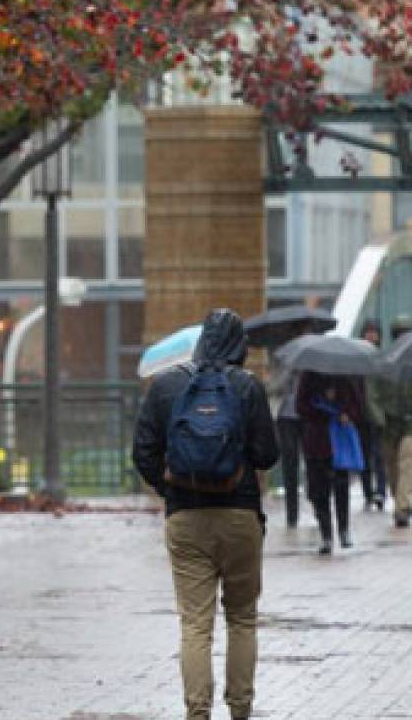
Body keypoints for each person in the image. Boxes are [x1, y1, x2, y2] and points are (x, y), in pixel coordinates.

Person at [134, 308, 280, 720]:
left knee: (195, 624)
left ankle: (197, 712)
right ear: (240, 346)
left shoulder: (165, 386)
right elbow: (268, 456)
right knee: (242, 619)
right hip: (240, 517)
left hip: (186, 518)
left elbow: (142, 452)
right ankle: (240, 709)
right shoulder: (248, 388)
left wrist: (169, 487)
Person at [298, 371, 368, 551]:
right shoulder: (308, 376)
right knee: (319, 491)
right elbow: (301, 406)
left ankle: (344, 530)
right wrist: (322, 407)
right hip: (316, 441)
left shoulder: (346, 377)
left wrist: (346, 412)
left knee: (341, 487)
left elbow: (358, 405)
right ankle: (326, 535)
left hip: (339, 441)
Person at [368, 318, 412, 528]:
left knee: (407, 459)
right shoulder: (382, 361)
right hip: (389, 422)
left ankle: (403, 506)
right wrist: (379, 417)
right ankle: (399, 497)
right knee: (391, 465)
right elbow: (371, 393)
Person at [267, 354, 304, 529]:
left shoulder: (309, 363)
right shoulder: (279, 362)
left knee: (314, 462)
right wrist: (287, 374)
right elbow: (271, 387)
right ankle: (292, 512)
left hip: (307, 417)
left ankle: (316, 500)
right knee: (290, 464)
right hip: (285, 418)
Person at [357, 321, 388, 512]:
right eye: (368, 333)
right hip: (360, 415)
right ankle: (368, 492)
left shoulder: (383, 359)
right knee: (364, 457)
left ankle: (381, 492)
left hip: (377, 415)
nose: (371, 336)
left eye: (374, 333)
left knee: (379, 456)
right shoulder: (355, 360)